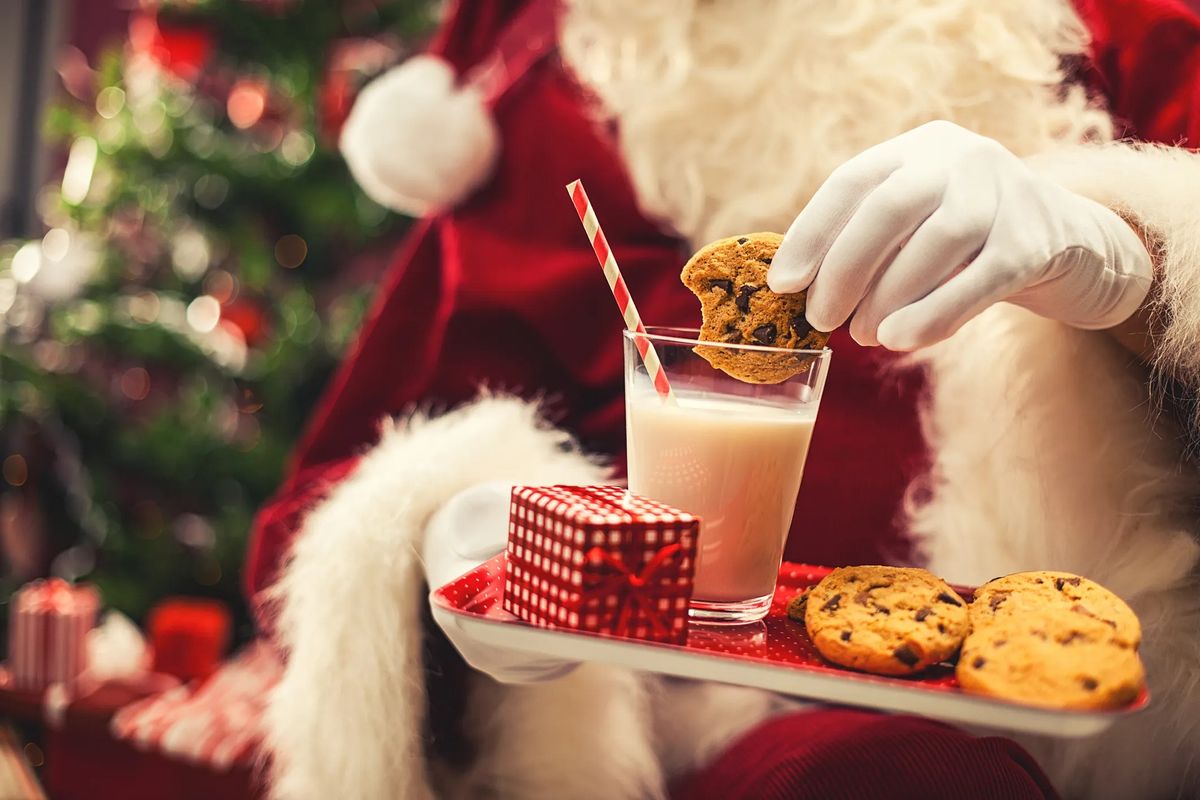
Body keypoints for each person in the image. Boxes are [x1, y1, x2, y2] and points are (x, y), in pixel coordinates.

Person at [250, 0, 1200, 798]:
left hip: (1101, 697)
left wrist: (1136, 264)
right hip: (699, 710)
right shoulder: (588, 72)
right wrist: (471, 543)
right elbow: (368, 459)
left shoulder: (1129, 26)